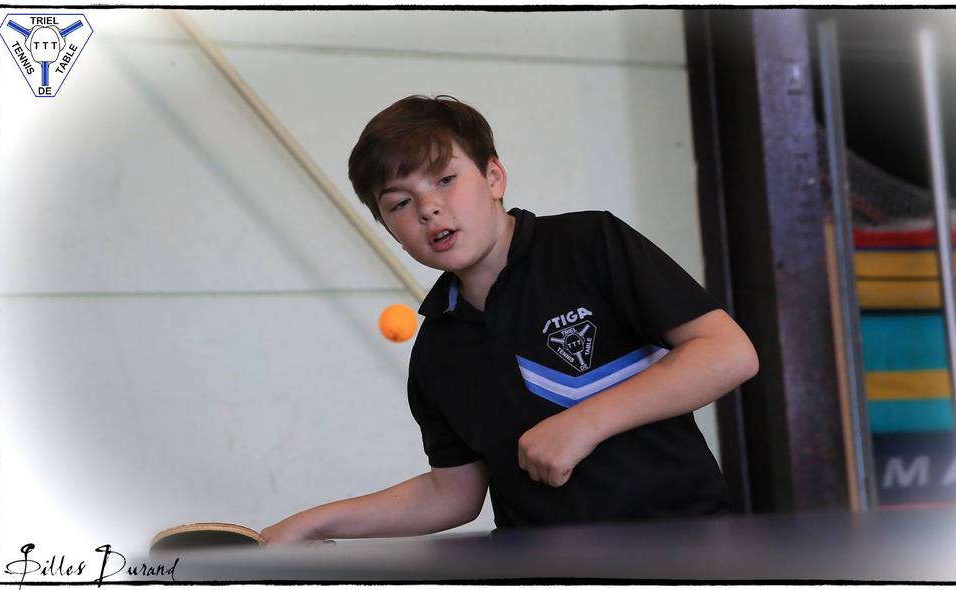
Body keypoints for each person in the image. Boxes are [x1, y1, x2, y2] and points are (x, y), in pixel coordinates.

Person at [260, 95, 759, 543]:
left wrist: (585, 423)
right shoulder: (436, 351)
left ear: (494, 177)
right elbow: (452, 495)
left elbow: (728, 353)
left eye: (445, 180)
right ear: (390, 228)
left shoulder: (589, 244)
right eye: (400, 203)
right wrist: (316, 523)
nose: (429, 209)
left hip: (686, 548)